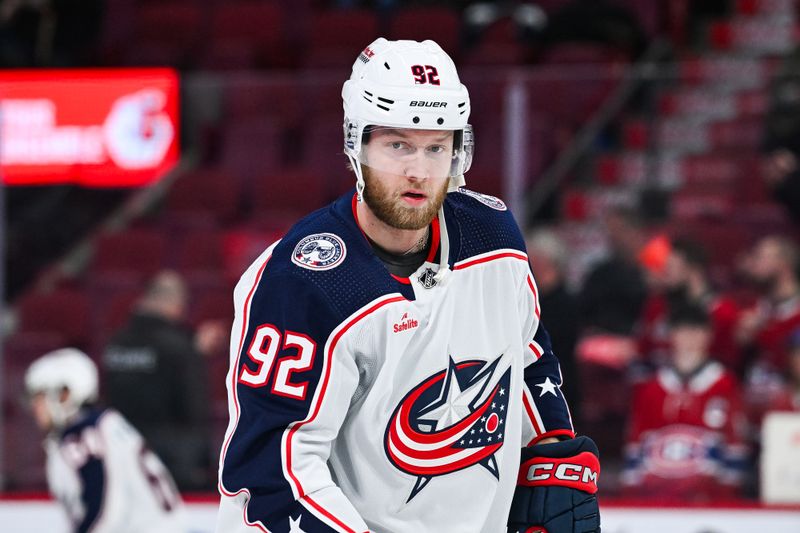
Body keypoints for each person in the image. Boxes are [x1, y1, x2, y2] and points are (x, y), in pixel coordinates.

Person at [217, 38, 600, 533]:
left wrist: (550, 451)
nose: (418, 170)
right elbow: (271, 474)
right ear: (357, 144)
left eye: (436, 147)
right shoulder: (301, 280)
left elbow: (525, 354)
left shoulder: (494, 238)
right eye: (398, 145)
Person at [24, 348, 186, 532]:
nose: (35, 407)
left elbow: (103, 509)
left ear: (65, 395)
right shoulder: (105, 425)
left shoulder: (84, 436)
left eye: (40, 397)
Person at [103, 270, 223, 491]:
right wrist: (202, 462)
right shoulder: (179, 348)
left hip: (120, 457)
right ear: (177, 303)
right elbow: (193, 408)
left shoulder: (116, 343)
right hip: (170, 467)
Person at [621, 304, 749, 502]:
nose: (689, 338)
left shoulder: (725, 385)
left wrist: (727, 500)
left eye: (696, 331)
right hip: (657, 500)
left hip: (708, 500)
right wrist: (633, 499)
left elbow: (735, 449)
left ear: (708, 335)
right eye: (683, 330)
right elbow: (635, 449)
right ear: (671, 334)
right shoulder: (651, 388)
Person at [638, 237, 742, 374]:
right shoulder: (657, 306)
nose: (665, 275)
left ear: (694, 270)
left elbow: (726, 364)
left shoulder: (723, 313)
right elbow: (642, 350)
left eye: (671, 268)